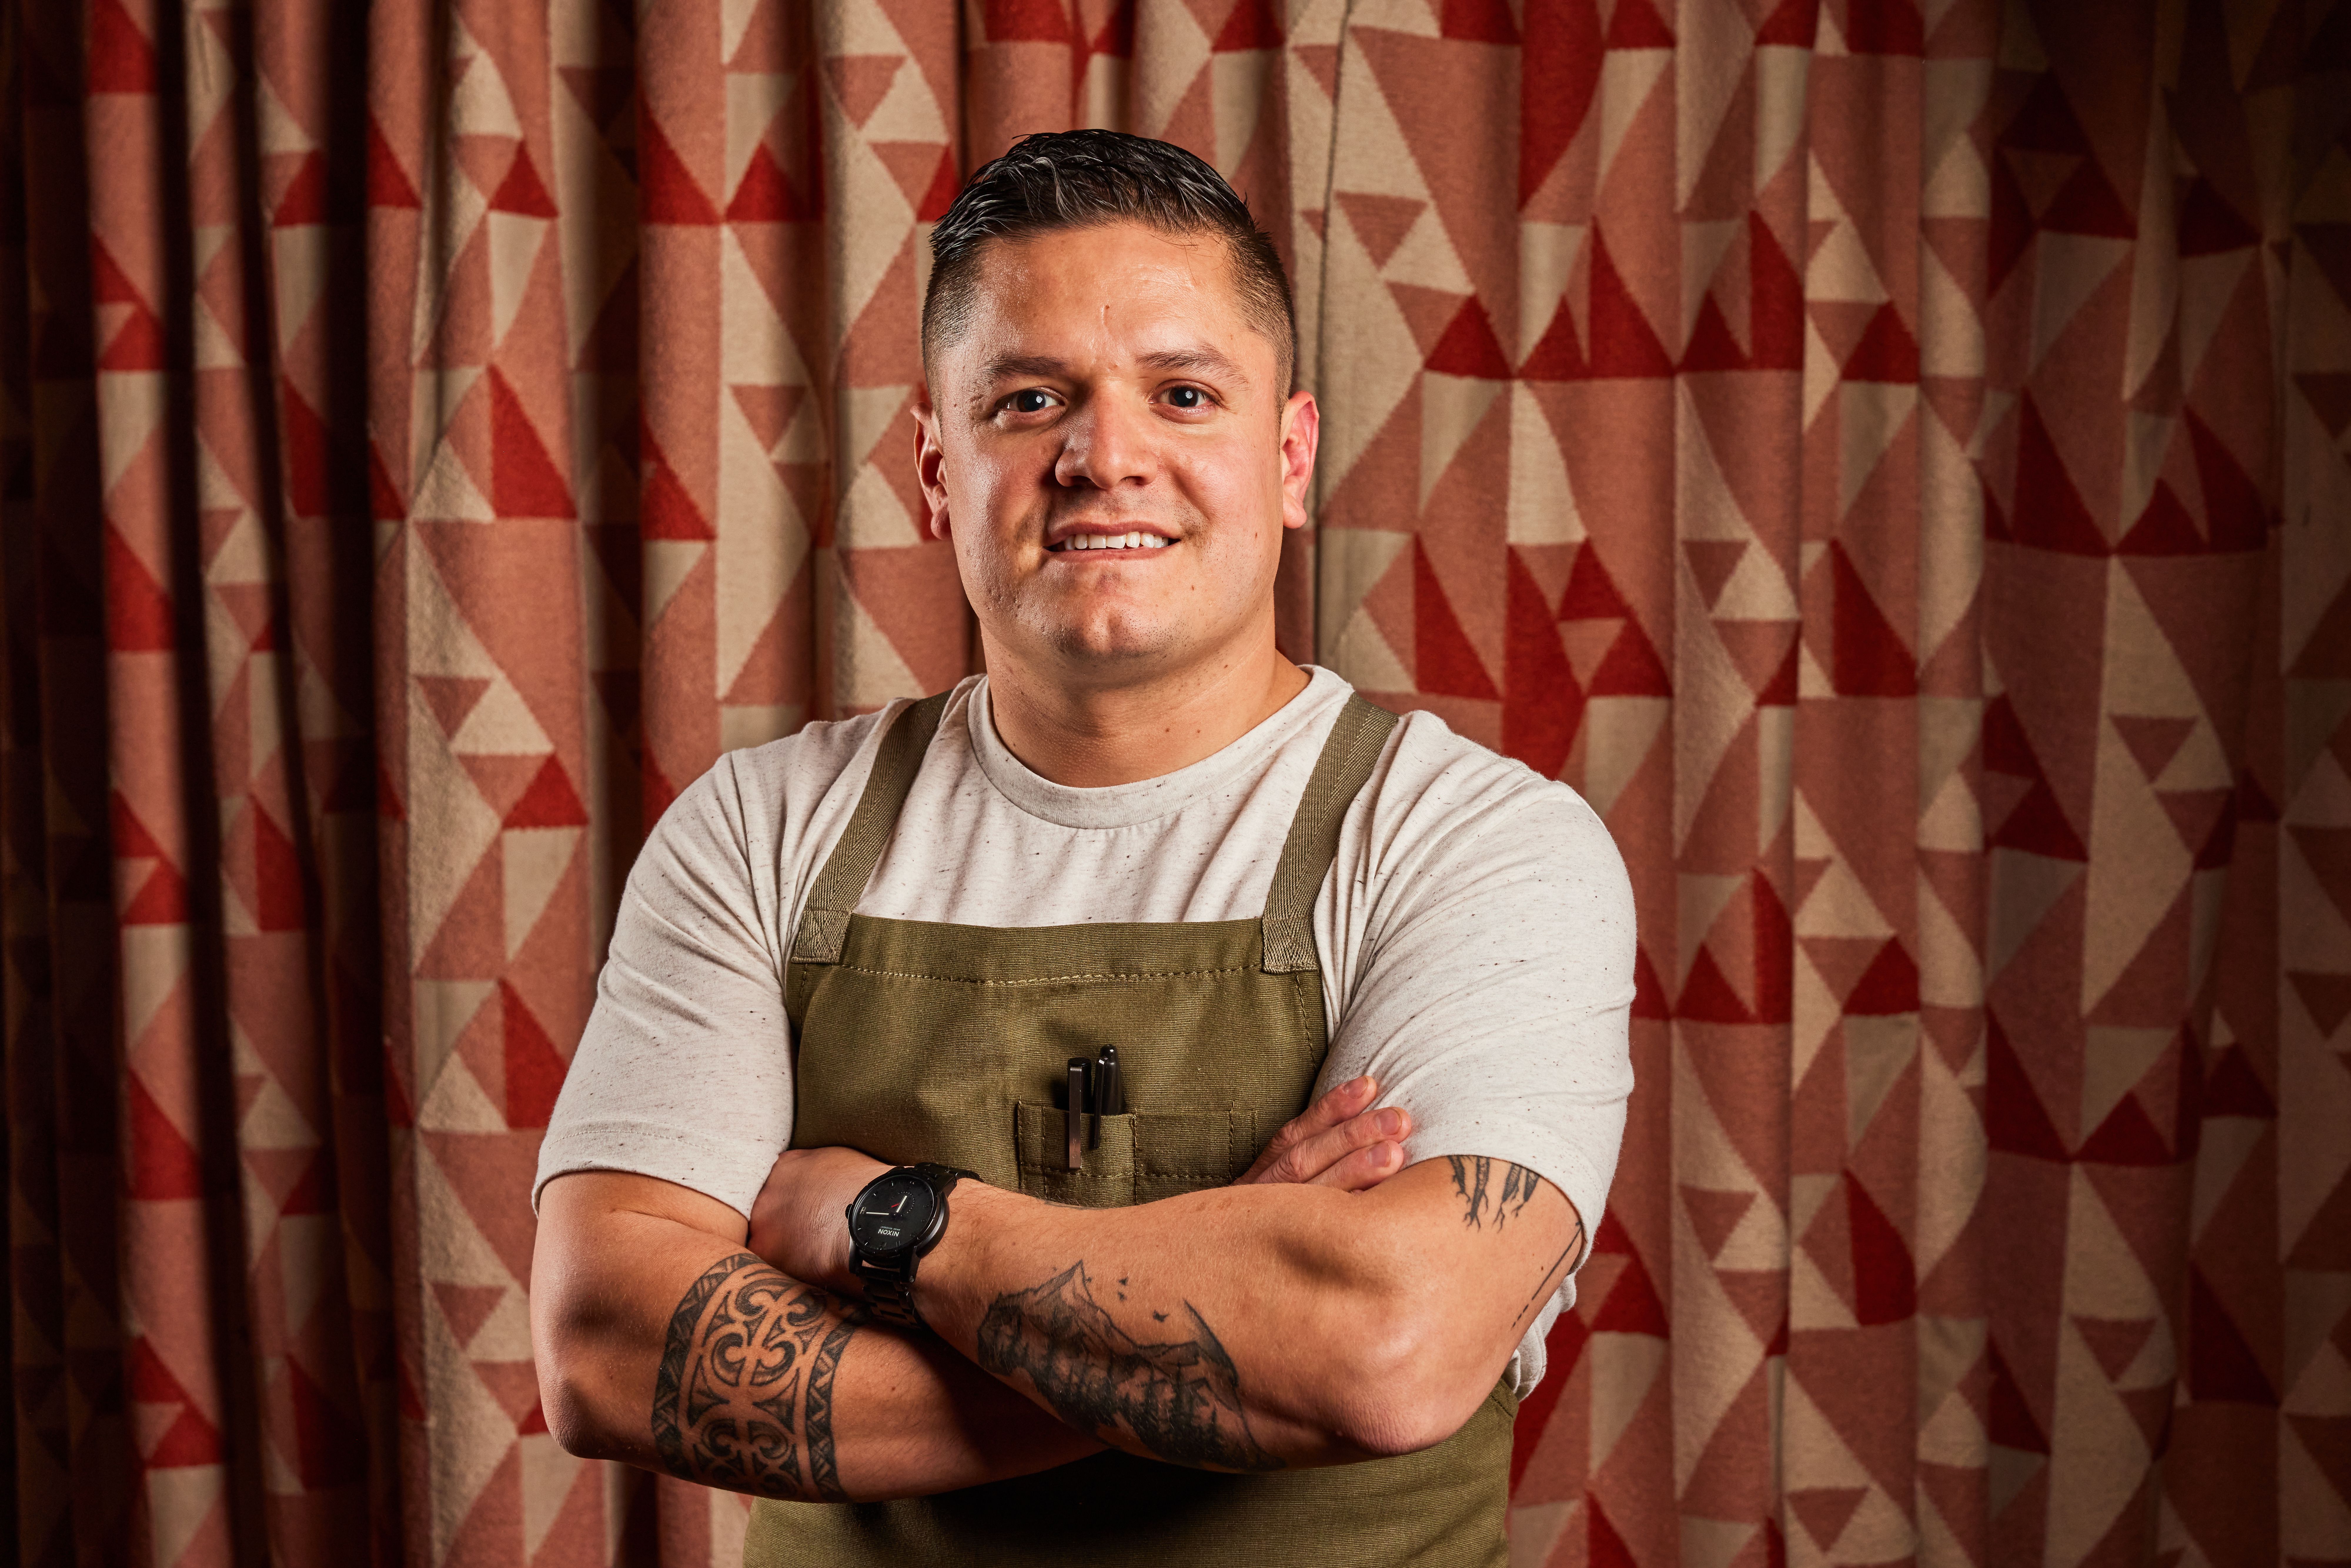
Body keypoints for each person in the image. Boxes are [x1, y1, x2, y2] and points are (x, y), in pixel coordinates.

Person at [530, 129, 1635, 1567]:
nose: (1105, 457)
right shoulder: (760, 829)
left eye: (1182, 395)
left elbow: (1386, 1347)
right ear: (935, 469)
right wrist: (1221, 1310)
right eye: (1029, 398)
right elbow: (606, 1345)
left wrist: (889, 1222)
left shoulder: (1474, 841)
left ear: (1287, 457)